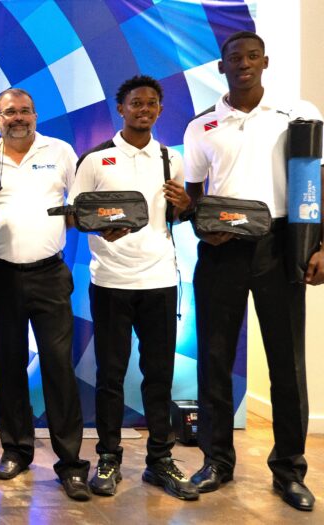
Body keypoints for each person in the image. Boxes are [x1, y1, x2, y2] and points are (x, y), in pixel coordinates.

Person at [183, 31, 324, 512]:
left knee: (287, 364)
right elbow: (196, 197)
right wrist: (205, 229)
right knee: (215, 361)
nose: (242, 64)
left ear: (265, 60)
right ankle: (216, 461)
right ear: (221, 68)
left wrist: (320, 242)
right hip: (221, 251)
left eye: (250, 56)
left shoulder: (298, 113)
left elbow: (314, 182)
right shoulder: (201, 126)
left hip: (280, 245)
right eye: (232, 58)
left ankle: (289, 470)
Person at [70, 75, 197, 500]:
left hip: (160, 281)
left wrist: (184, 207)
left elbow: (175, 217)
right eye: (135, 103)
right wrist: (100, 228)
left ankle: (159, 459)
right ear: (120, 108)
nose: (143, 109)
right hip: (110, 282)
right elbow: (74, 215)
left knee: (158, 375)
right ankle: (108, 457)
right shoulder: (95, 160)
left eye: (151, 103)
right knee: (110, 374)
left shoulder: (170, 159)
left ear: (160, 110)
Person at [0, 88, 91, 501]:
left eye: (25, 110)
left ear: (35, 114)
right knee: (9, 366)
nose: (18, 118)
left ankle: (71, 464)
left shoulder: (60, 151)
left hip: (49, 275)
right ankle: (16, 450)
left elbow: (79, 207)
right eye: (9, 112)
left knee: (59, 369)